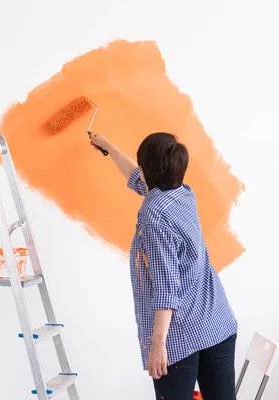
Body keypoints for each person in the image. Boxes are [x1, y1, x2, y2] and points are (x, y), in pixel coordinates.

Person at [90, 132, 238, 400]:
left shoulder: (153, 216)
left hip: (180, 334)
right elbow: (140, 179)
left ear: (148, 170)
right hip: (217, 321)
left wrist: (157, 345)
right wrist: (107, 146)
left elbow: (166, 286)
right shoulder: (183, 193)